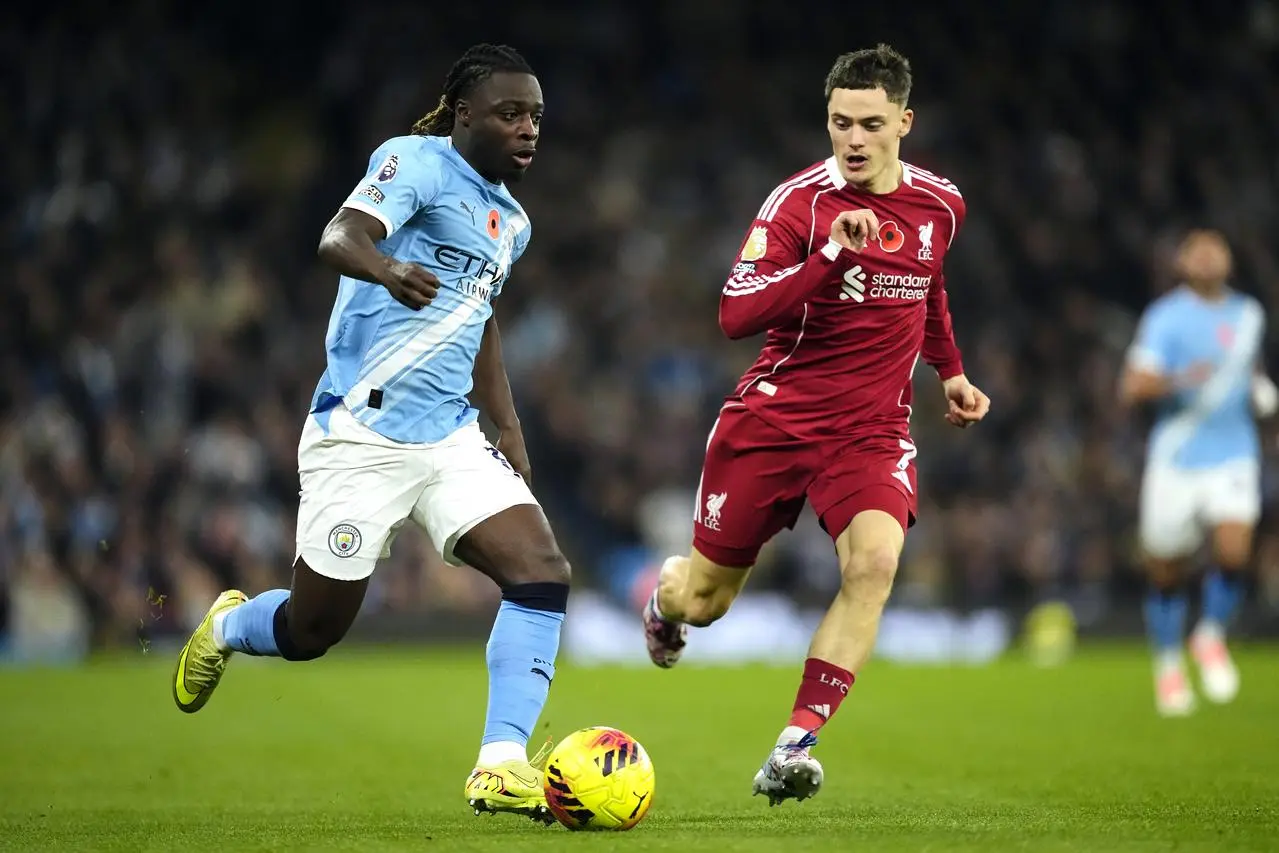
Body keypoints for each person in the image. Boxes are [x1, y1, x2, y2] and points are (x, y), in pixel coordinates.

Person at [171, 43, 569, 823]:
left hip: (451, 437)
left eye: (536, 117)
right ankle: (228, 624)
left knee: (542, 571)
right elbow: (337, 236)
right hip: (360, 430)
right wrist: (387, 270)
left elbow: (479, 318)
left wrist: (508, 425)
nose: (528, 130)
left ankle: (499, 764)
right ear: (463, 114)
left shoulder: (512, 221)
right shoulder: (414, 162)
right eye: (510, 113)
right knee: (314, 628)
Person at [641, 43, 990, 805]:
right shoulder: (797, 204)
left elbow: (925, 287)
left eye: (869, 123)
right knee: (706, 599)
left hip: (870, 433)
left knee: (872, 565)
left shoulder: (941, 205)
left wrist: (950, 368)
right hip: (774, 420)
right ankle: (662, 601)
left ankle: (791, 746)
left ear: (904, 121)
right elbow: (735, 314)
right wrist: (831, 253)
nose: (853, 140)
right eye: (839, 124)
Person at [1119, 228, 1275, 717]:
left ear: (1229, 260)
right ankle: (1168, 666)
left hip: (1234, 452)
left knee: (1234, 549)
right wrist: (1179, 379)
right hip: (1176, 457)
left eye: (1217, 250)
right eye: (1198, 251)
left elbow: (1246, 368)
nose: (1209, 258)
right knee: (1166, 571)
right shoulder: (1166, 317)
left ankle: (1208, 635)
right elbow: (1133, 386)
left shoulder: (1249, 314)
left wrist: (1261, 388)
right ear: (1183, 263)